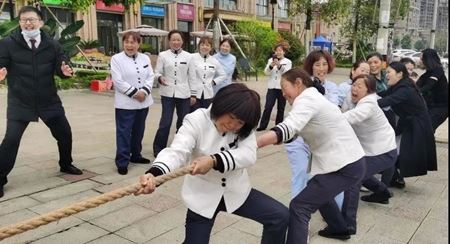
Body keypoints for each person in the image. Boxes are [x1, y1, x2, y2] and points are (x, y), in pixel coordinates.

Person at [136, 83, 289, 244]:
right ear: (220, 106)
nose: (233, 126)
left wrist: (214, 160)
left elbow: (248, 154)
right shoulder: (196, 120)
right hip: (202, 195)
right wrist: (155, 174)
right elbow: (177, 151)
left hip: (236, 192)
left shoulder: (245, 126)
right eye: (231, 118)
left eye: (239, 123)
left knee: (280, 217)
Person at [257, 68, 366, 243]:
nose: (283, 94)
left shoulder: (307, 98)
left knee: (300, 206)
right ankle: (339, 229)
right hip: (347, 162)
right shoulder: (313, 97)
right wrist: (279, 137)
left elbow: (290, 126)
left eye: (285, 88)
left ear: (298, 83)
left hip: (345, 165)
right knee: (316, 189)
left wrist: (257, 143)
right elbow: (294, 130)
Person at [0, 6, 83, 198]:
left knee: (64, 134)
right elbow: (1, 64)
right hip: (20, 101)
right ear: (19, 23)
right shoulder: (7, 43)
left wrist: (65, 71)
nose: (28, 23)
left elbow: (61, 65)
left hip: (48, 100)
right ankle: (0, 177)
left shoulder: (52, 44)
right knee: (10, 140)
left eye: (32, 19)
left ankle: (65, 164)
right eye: (24, 20)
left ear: (41, 23)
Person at [284, 50, 343, 210]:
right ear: (311, 66)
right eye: (317, 64)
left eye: (324, 64)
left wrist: (322, 92)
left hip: (322, 141)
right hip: (300, 139)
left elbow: (334, 110)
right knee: (300, 174)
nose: (321, 68)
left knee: (331, 174)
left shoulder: (332, 87)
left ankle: (335, 216)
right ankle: (298, 216)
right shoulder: (301, 85)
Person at [378, 62, 437, 188]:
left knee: (393, 152)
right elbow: (384, 95)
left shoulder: (405, 89)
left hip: (416, 125)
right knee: (393, 150)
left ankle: (384, 186)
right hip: (409, 123)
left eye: (389, 72)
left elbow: (388, 100)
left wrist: (366, 102)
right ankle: (394, 179)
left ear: (399, 74)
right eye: (386, 72)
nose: (386, 75)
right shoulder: (400, 85)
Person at [343, 74, 397, 204]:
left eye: (359, 86)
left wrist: (326, 119)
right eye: (354, 85)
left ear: (369, 91)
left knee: (353, 177)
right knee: (360, 172)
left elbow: (350, 117)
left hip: (384, 151)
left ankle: (347, 223)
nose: (354, 89)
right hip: (370, 150)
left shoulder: (369, 104)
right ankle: (383, 193)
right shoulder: (353, 100)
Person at [110, 31, 154, 175]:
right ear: (123, 43)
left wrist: (145, 92)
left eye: (133, 42)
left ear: (138, 44)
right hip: (126, 104)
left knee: (138, 131)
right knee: (124, 133)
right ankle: (122, 161)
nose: (130, 45)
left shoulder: (145, 58)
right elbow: (118, 81)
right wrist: (136, 93)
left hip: (143, 103)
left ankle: (136, 155)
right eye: (127, 42)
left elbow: (150, 76)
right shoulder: (116, 59)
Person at [152, 30, 193, 158]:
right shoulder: (163, 55)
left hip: (184, 93)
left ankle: (180, 146)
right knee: (165, 122)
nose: (176, 42)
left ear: (182, 41)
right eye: (173, 40)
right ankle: (159, 148)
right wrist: (160, 78)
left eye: (178, 40)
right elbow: (157, 72)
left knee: (183, 121)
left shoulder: (188, 56)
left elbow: (192, 76)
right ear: (169, 41)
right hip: (167, 93)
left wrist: (193, 94)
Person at [256, 44, 292, 131]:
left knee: (281, 108)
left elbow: (287, 74)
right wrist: (271, 66)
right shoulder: (270, 60)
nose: (278, 52)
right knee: (268, 106)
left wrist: (279, 66)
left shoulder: (288, 62)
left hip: (282, 88)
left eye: (280, 50)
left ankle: (278, 126)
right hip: (272, 87)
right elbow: (266, 73)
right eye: (277, 50)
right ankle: (262, 125)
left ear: (284, 52)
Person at [189, 36, 226, 112]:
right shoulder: (191, 57)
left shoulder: (214, 61)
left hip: (208, 94)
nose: (204, 47)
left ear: (211, 48)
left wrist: (213, 82)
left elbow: (223, 75)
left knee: (206, 115)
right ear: (199, 46)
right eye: (202, 45)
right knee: (194, 116)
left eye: (207, 45)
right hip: (194, 94)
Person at [416, 48, 449, 131]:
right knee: (423, 129)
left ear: (427, 60)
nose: (419, 61)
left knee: (426, 130)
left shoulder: (438, 71)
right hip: (431, 107)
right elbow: (416, 87)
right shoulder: (425, 75)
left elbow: (428, 86)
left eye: (421, 59)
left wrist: (415, 93)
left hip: (441, 108)